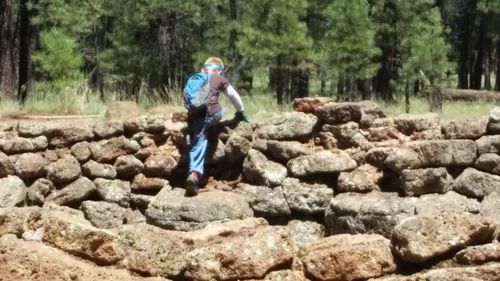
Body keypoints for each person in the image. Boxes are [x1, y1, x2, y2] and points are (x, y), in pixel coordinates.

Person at [184, 57, 249, 196]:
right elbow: (233, 95)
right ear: (219, 71)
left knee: (198, 142)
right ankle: (195, 174)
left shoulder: (195, 79)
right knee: (215, 117)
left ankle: (194, 174)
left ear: (203, 69)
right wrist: (241, 111)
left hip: (196, 117)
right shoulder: (219, 78)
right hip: (213, 114)